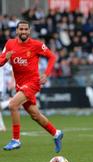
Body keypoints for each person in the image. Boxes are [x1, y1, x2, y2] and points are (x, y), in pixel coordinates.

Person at [0, 20, 63, 152]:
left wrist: (46, 74)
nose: (23, 32)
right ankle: (56, 133)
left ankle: (16, 140)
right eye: (21, 29)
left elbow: (52, 57)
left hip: (33, 83)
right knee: (35, 115)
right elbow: (0, 62)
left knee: (13, 105)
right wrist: (6, 58)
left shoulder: (36, 45)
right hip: (20, 85)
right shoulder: (10, 44)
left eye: (25, 29)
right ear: (17, 31)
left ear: (29, 31)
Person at [0, 64, 12, 132]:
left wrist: (12, 82)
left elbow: (11, 70)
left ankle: (2, 127)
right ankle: (11, 102)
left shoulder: (2, 59)